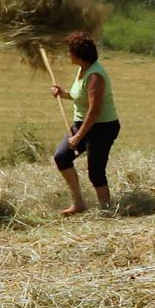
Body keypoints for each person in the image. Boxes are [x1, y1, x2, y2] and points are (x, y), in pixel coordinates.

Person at [50, 31, 120, 215]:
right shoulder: (82, 69)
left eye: (69, 51)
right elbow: (78, 97)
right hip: (83, 123)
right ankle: (79, 203)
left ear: (78, 54)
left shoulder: (95, 76)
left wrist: (78, 136)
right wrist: (63, 93)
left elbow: (94, 111)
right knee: (62, 156)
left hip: (102, 127)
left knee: (95, 171)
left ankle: (106, 210)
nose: (68, 54)